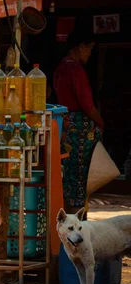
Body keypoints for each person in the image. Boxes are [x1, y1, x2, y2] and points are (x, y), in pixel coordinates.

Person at [54, 27, 105, 217]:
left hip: (66, 130)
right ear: (80, 46)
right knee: (79, 177)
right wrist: (101, 123)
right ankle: (78, 221)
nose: (90, 54)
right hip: (79, 132)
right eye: (89, 49)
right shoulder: (75, 69)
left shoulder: (61, 68)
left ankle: (71, 218)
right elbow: (88, 106)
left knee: (69, 176)